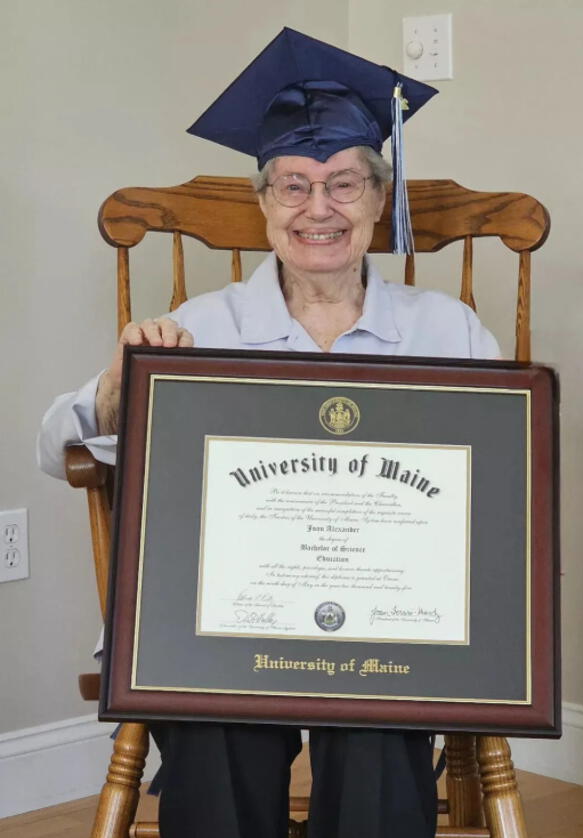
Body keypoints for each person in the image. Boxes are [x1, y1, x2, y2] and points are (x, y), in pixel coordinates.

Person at [38, 28, 500, 838]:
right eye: (293, 185)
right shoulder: (198, 329)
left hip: (390, 628)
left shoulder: (449, 333)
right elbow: (57, 448)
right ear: (262, 203)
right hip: (228, 625)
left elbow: (505, 486)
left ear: (381, 200)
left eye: (345, 184)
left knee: (380, 718)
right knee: (215, 717)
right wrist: (120, 390)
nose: (318, 208)